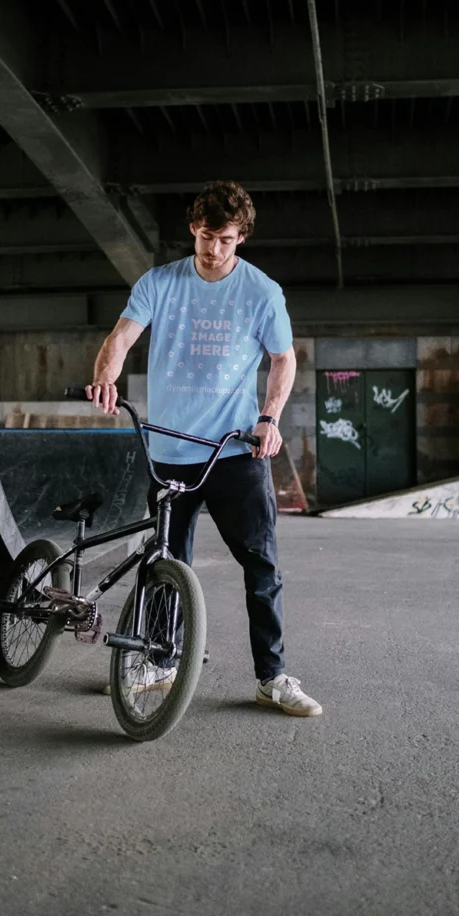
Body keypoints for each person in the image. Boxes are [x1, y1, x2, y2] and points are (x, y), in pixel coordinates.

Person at [87, 180, 321, 718]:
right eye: (207, 236)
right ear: (194, 228)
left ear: (241, 238)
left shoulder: (262, 293)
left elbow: (283, 361)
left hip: (235, 452)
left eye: (226, 239)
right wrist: (105, 376)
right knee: (166, 562)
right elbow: (121, 337)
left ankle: (272, 677)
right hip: (168, 450)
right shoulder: (160, 283)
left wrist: (269, 419)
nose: (214, 249)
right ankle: (162, 661)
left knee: (261, 565)